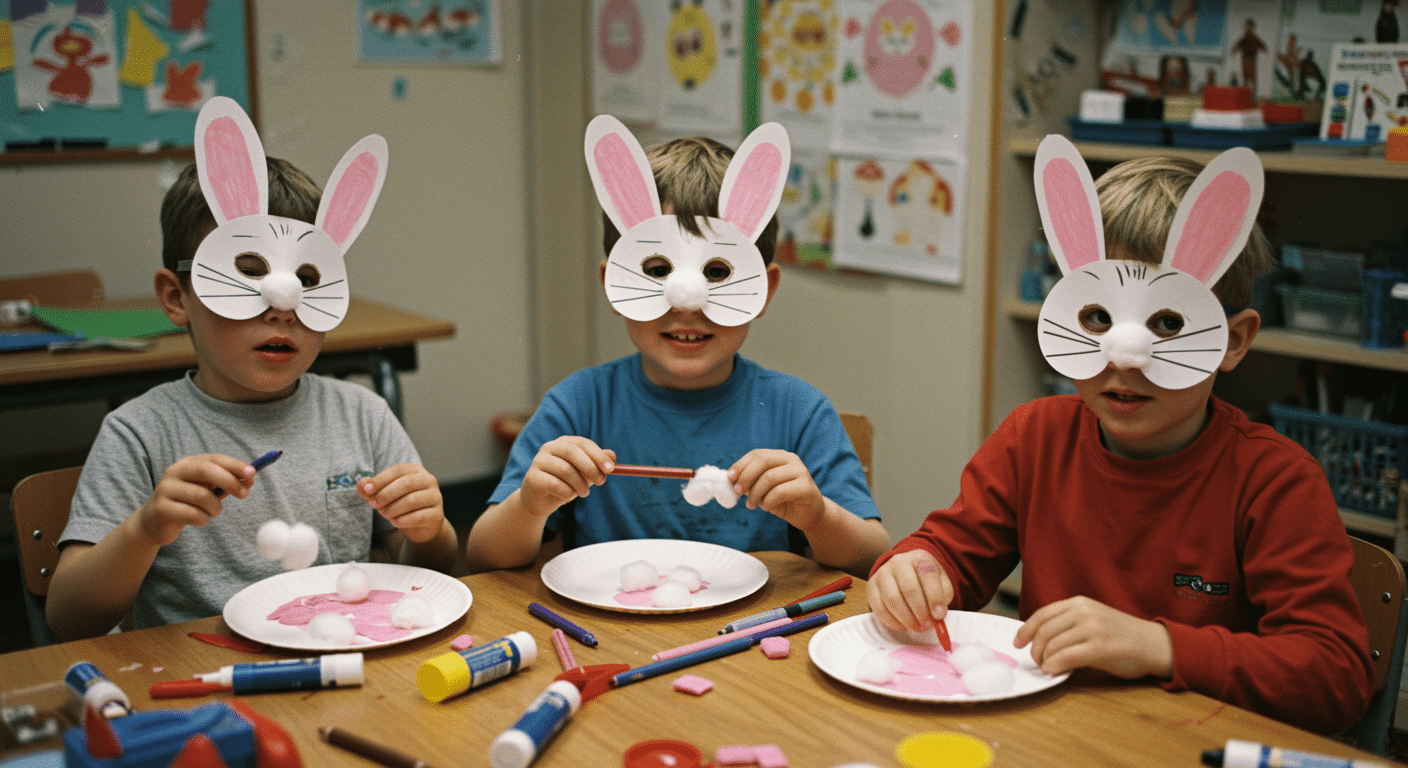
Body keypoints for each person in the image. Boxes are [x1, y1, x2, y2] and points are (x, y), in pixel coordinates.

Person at [866, 137, 1372, 734]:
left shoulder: (1274, 481)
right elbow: (953, 555)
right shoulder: (1035, 438)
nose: (1124, 357)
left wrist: (1159, 646)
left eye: (1166, 324)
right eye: (1098, 319)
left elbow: (1335, 676)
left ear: (1233, 341)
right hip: (1050, 733)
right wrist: (917, 570)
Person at [47, 99, 457, 640]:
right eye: (245, 272)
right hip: (204, 679)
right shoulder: (139, 433)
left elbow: (436, 572)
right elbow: (70, 617)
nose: (282, 303)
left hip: (345, 658)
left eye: (308, 277)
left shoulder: (362, 413)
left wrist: (429, 532)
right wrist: (145, 529)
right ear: (176, 297)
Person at [466, 116, 889, 576]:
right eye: (655, 269)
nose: (687, 302)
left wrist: (818, 516)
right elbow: (483, 558)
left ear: (763, 291)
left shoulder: (797, 412)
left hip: (752, 632)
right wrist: (530, 506)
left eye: (718, 273)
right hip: (615, 633)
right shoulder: (578, 407)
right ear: (614, 284)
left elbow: (871, 558)